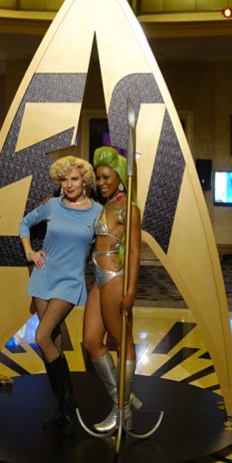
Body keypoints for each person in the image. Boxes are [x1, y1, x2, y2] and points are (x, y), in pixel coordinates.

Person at [19, 156, 102, 435]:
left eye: (74, 179)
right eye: (64, 180)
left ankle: (68, 406)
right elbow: (24, 224)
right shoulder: (52, 205)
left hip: (70, 281)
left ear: (85, 181)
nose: (69, 184)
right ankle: (65, 406)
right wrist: (30, 253)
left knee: (42, 336)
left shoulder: (98, 212)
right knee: (52, 341)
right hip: (44, 276)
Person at [82, 146, 143, 433]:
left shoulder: (128, 209)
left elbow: (134, 252)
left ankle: (121, 411)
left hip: (115, 278)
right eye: (98, 178)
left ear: (119, 176)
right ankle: (124, 403)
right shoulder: (105, 206)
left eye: (106, 177)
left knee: (121, 341)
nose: (101, 182)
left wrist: (130, 290)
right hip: (98, 278)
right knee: (91, 341)